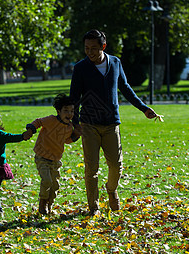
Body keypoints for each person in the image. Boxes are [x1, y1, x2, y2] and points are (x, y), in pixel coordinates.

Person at [69, 29, 158, 216]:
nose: (90, 52)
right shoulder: (80, 68)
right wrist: (74, 123)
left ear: (103, 46)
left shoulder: (115, 62)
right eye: (86, 48)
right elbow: (74, 98)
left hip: (111, 124)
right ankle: (93, 207)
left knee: (116, 166)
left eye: (94, 48)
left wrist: (144, 108)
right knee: (91, 168)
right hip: (89, 125)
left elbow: (125, 88)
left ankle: (111, 189)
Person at [26, 94, 80, 215]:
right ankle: (42, 203)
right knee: (47, 181)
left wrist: (76, 135)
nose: (69, 114)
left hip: (55, 160)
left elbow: (66, 140)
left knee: (55, 185)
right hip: (42, 156)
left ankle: (49, 205)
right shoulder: (51, 120)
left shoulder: (69, 127)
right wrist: (31, 129)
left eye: (72, 111)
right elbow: (39, 122)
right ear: (58, 111)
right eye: (66, 111)